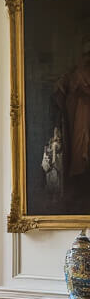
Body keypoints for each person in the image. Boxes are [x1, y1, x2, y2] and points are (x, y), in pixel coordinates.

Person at [52, 40, 90, 206]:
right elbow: (64, 84)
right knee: (79, 150)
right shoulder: (76, 73)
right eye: (86, 55)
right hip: (80, 116)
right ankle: (79, 188)